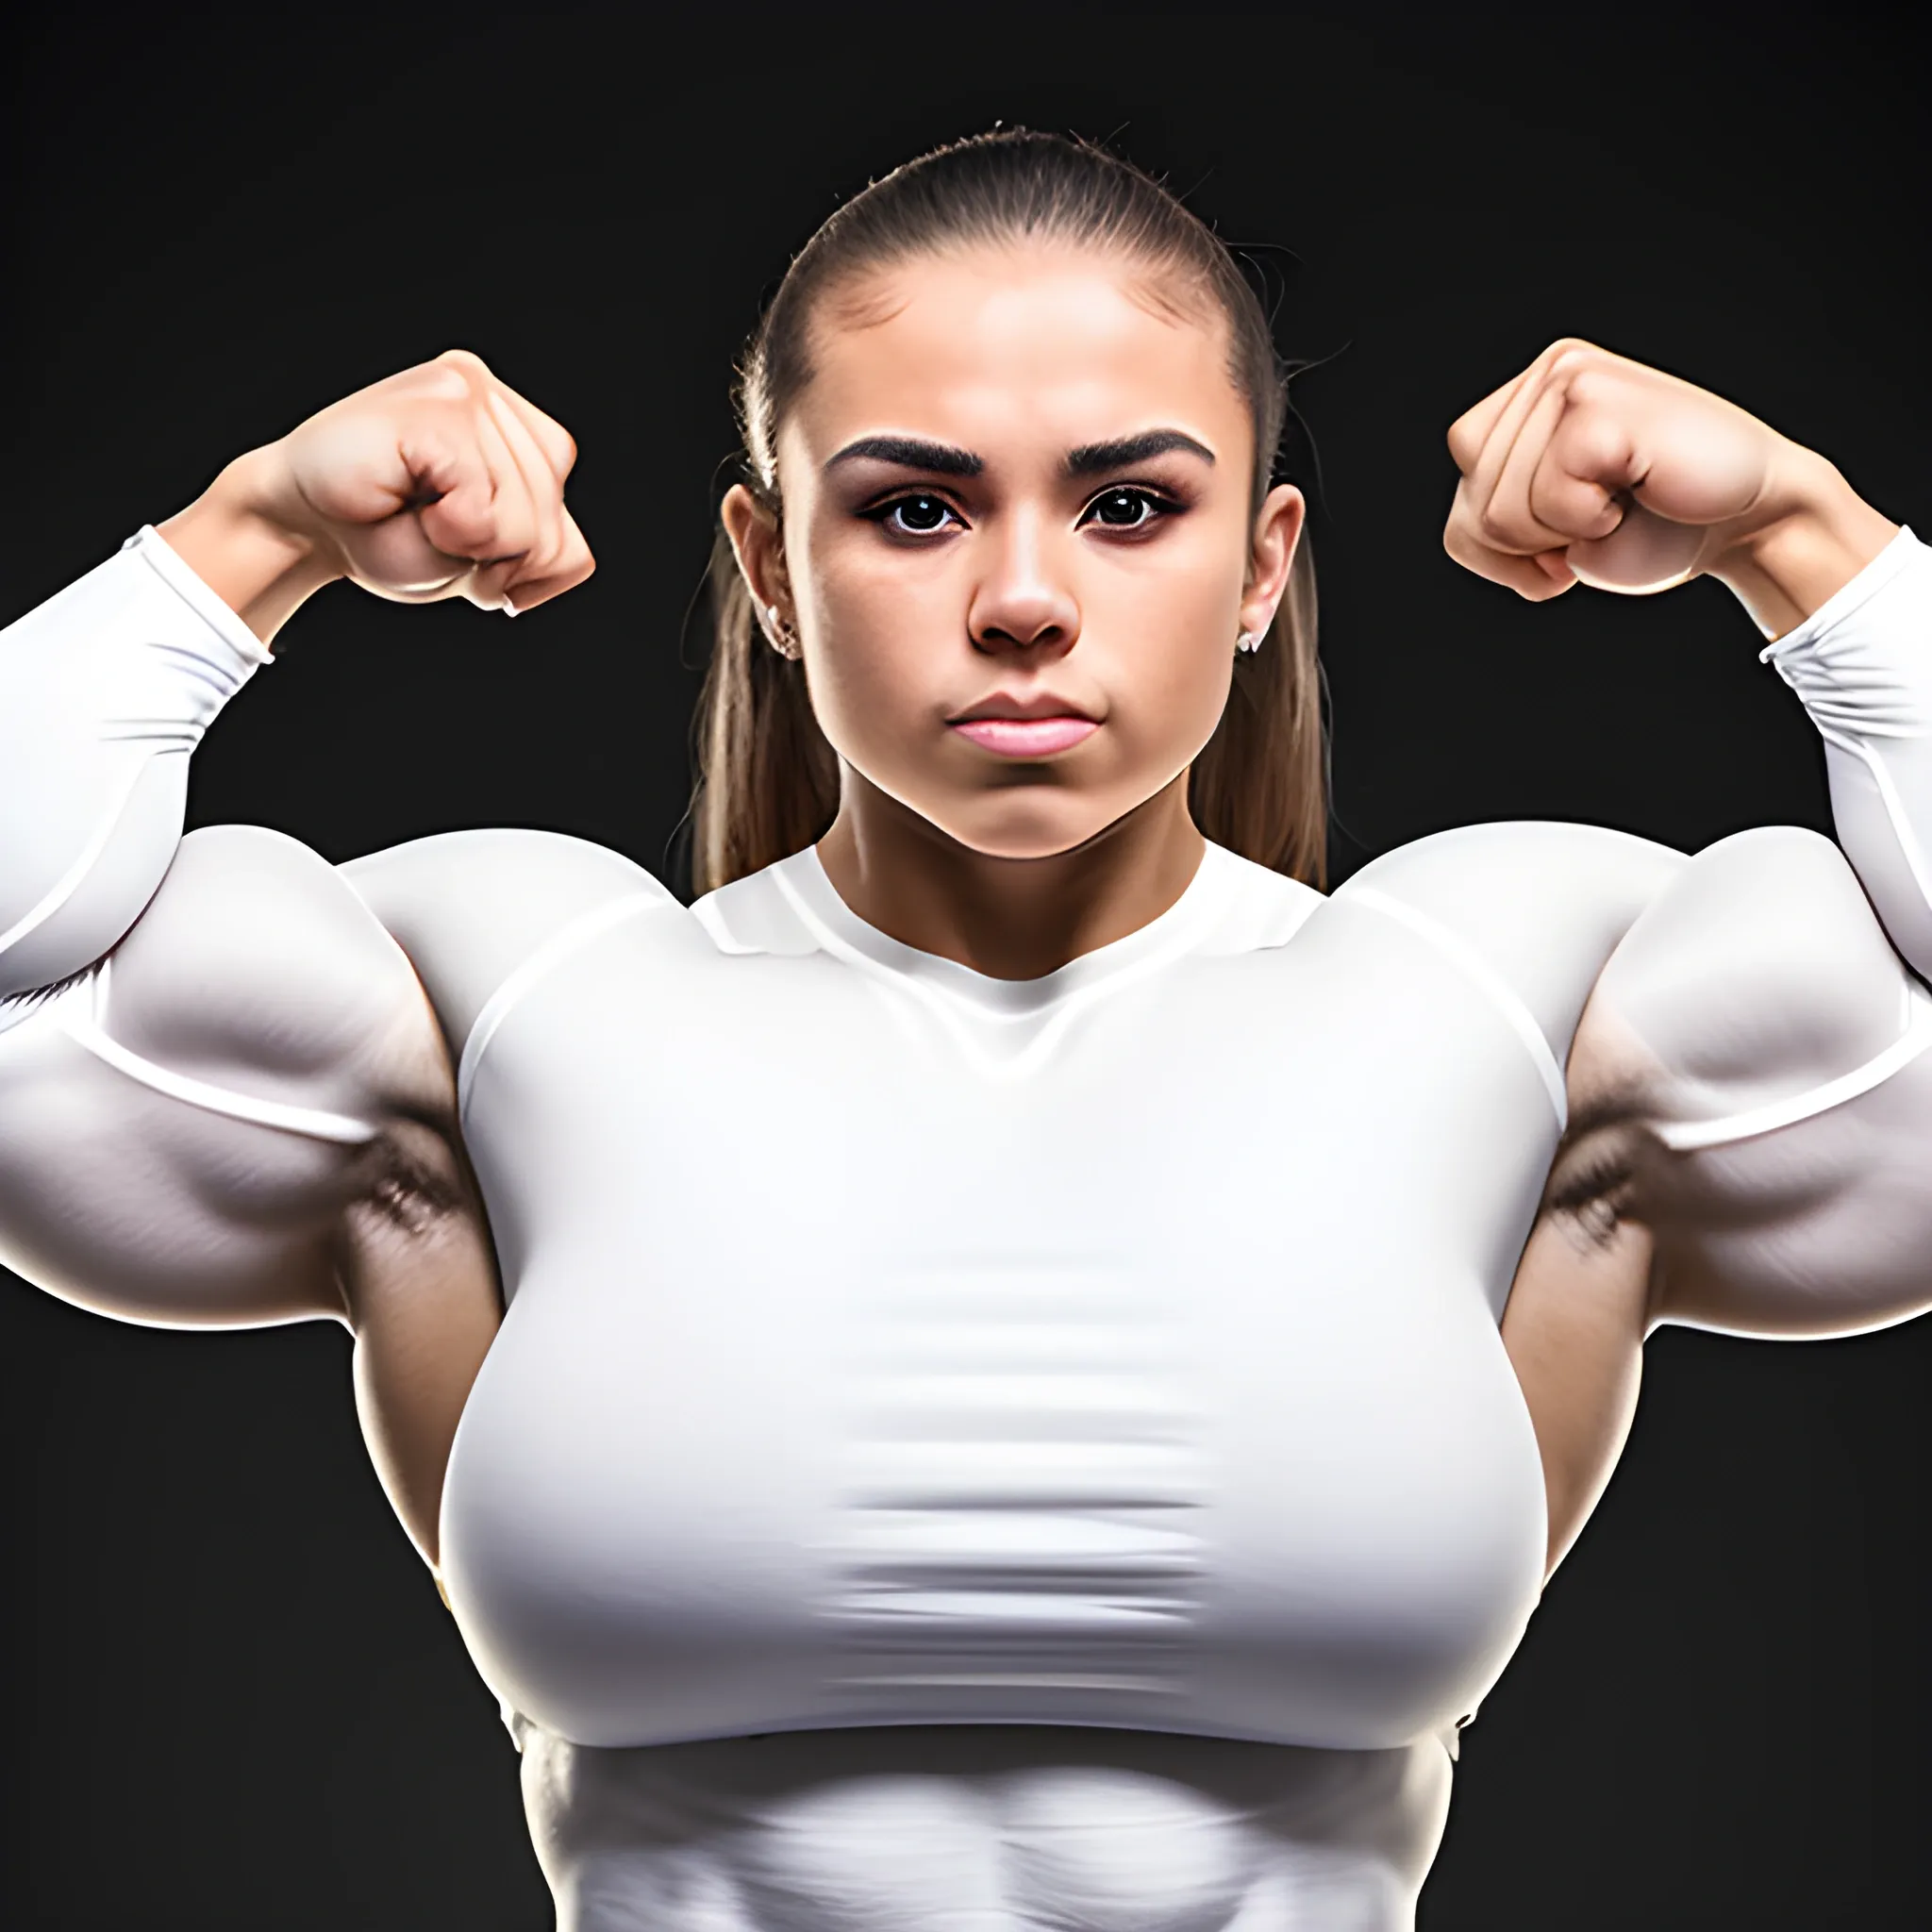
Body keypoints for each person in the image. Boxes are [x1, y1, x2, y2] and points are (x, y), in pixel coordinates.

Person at [2, 128, 1928, 1930]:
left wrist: (1805, 535)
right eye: (914, 508)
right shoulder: (511, 998)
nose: (1020, 600)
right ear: (771, 567)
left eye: (1128, 506)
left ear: (1260, 564)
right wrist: (241, 541)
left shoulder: (1511, 998)